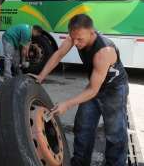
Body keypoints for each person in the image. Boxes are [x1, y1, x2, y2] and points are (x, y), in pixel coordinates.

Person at [29, 14, 129, 166]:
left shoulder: (104, 52)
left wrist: (67, 104)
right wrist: (41, 76)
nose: (75, 43)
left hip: (114, 90)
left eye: (80, 39)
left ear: (92, 32)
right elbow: (58, 54)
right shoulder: (75, 37)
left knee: (115, 133)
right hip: (94, 86)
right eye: (73, 38)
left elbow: (94, 90)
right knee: (83, 126)